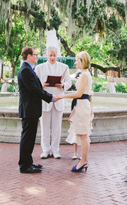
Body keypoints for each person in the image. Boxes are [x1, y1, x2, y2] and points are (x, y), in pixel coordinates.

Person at [17, 46, 60, 174]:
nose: (37, 57)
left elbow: (35, 87)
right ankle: (24, 166)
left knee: (30, 138)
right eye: (35, 55)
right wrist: (51, 97)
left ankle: (28, 162)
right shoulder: (25, 70)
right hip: (29, 109)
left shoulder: (29, 69)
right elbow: (34, 90)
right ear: (28, 56)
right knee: (27, 138)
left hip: (32, 109)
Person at [57, 51, 94, 172]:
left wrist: (62, 96)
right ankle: (84, 161)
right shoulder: (85, 74)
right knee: (83, 135)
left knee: (84, 135)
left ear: (83, 61)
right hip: (82, 106)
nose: (75, 62)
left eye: (77, 60)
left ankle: (83, 161)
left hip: (82, 106)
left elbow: (79, 94)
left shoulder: (84, 75)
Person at [34, 46, 71, 159]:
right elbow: (34, 85)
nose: (52, 57)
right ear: (46, 55)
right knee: (44, 127)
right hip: (45, 101)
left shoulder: (64, 67)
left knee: (57, 127)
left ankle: (55, 150)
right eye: (50, 55)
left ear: (57, 55)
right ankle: (45, 150)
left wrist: (63, 85)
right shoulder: (39, 68)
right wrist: (42, 85)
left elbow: (69, 82)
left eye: (54, 55)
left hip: (58, 100)